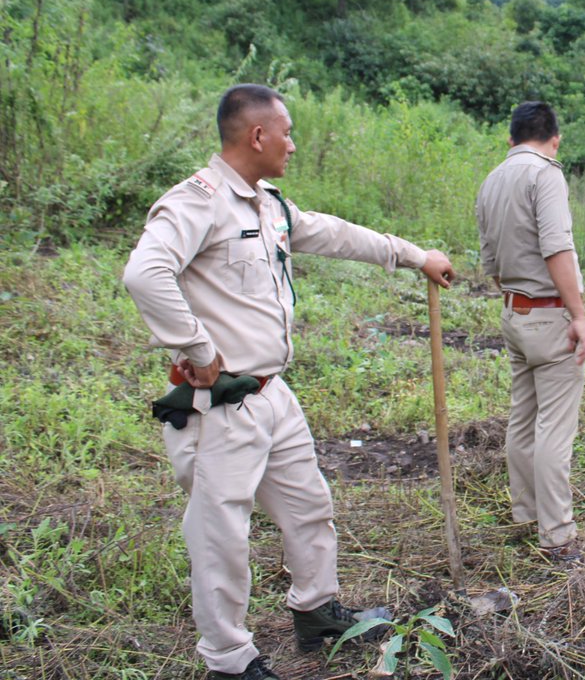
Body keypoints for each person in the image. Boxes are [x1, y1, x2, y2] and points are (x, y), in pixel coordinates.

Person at [123, 84, 456, 680]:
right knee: (221, 535)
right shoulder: (199, 201)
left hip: (273, 394)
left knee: (308, 505)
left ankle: (317, 611)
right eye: (287, 131)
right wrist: (197, 347)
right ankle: (229, 658)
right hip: (222, 404)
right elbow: (146, 273)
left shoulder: (266, 204)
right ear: (257, 136)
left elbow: (333, 233)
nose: (293, 144)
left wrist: (413, 255)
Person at [475, 101, 585, 562]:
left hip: (514, 314)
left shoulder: (492, 180)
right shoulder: (546, 174)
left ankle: (525, 513)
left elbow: (489, 258)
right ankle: (557, 535)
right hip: (549, 315)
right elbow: (557, 246)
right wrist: (577, 314)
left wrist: (516, 296)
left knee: (523, 418)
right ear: (555, 138)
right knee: (554, 430)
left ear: (510, 139)